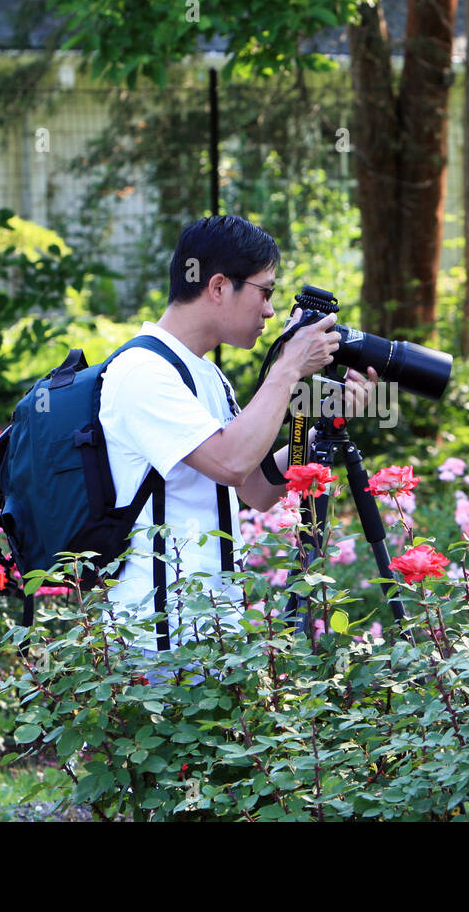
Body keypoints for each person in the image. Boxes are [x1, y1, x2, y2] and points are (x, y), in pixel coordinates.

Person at [98, 214, 378, 651]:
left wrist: (325, 416)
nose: (270, 310)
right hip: (156, 644)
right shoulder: (142, 372)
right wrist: (287, 368)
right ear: (218, 287)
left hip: (210, 634)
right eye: (265, 292)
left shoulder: (206, 375)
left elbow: (257, 487)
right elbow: (230, 463)